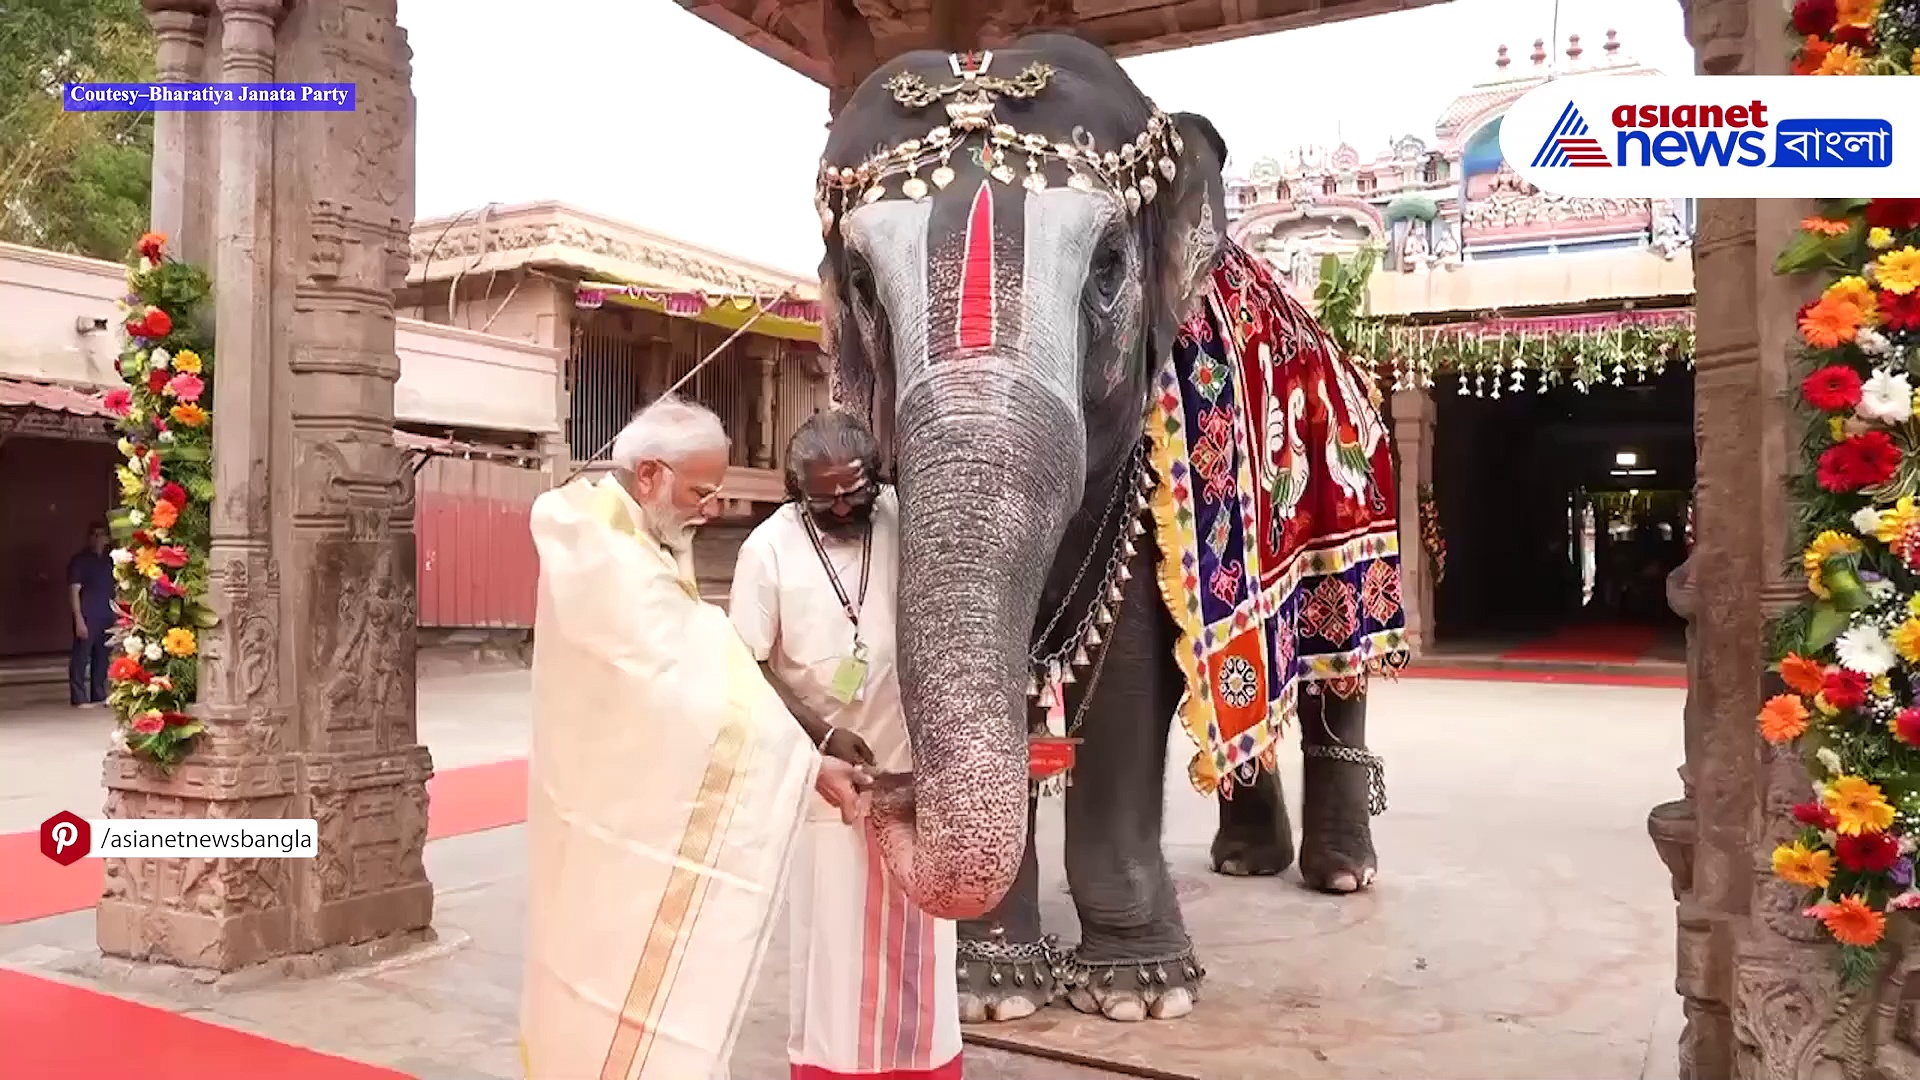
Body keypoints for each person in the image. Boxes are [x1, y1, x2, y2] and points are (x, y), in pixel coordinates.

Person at [519, 394, 869, 1080]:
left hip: (641, 806)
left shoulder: (642, 537)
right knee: (602, 988)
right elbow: (694, 675)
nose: (711, 509)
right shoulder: (596, 545)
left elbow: (701, 661)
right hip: (608, 816)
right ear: (649, 474)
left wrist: (807, 761)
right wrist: (807, 764)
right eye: (701, 491)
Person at [730, 411, 962, 1080]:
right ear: (794, 489)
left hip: (915, 774)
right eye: (824, 495)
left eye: (854, 493)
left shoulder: (900, 517)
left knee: (922, 948)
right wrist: (820, 735)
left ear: (878, 479)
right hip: (827, 782)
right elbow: (741, 666)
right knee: (836, 957)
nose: (841, 505)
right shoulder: (766, 552)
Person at [67, 522, 114, 708]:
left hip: (107, 614)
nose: (98, 538)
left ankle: (99, 694)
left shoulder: (110, 560)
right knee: (81, 657)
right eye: (94, 534)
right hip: (87, 615)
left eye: (101, 534)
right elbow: (73, 591)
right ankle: (78, 697)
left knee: (102, 658)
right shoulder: (80, 561)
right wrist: (78, 618)